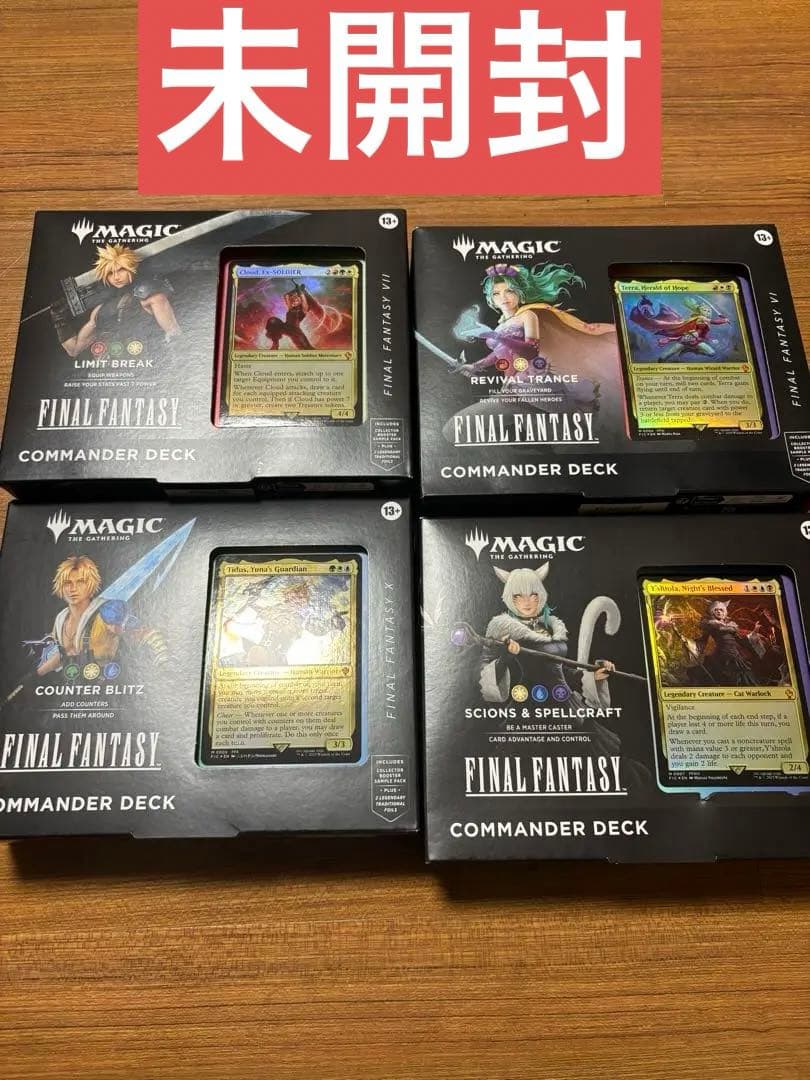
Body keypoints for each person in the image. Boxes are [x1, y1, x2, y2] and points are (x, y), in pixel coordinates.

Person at [60, 244, 180, 358]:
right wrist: (60, 323)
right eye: (110, 273)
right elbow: (74, 350)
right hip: (116, 363)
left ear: (131, 268)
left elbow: (175, 336)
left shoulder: (150, 295)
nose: (116, 277)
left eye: (121, 269)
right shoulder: (100, 310)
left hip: (150, 357)